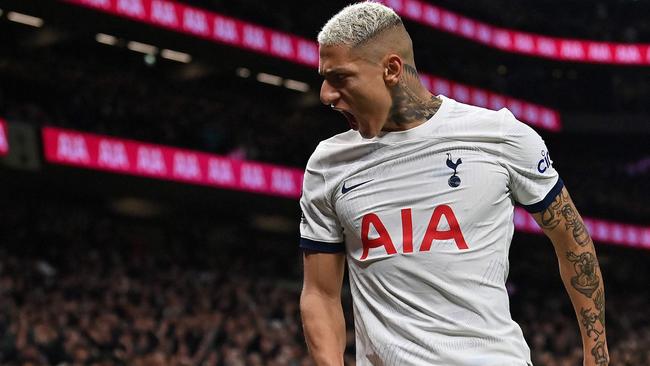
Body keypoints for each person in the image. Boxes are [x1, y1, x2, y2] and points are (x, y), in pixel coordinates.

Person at [298, 2, 609, 365]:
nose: (325, 95)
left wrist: (597, 358)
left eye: (340, 78)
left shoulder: (499, 136)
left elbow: (572, 240)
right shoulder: (328, 164)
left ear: (391, 69)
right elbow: (320, 293)